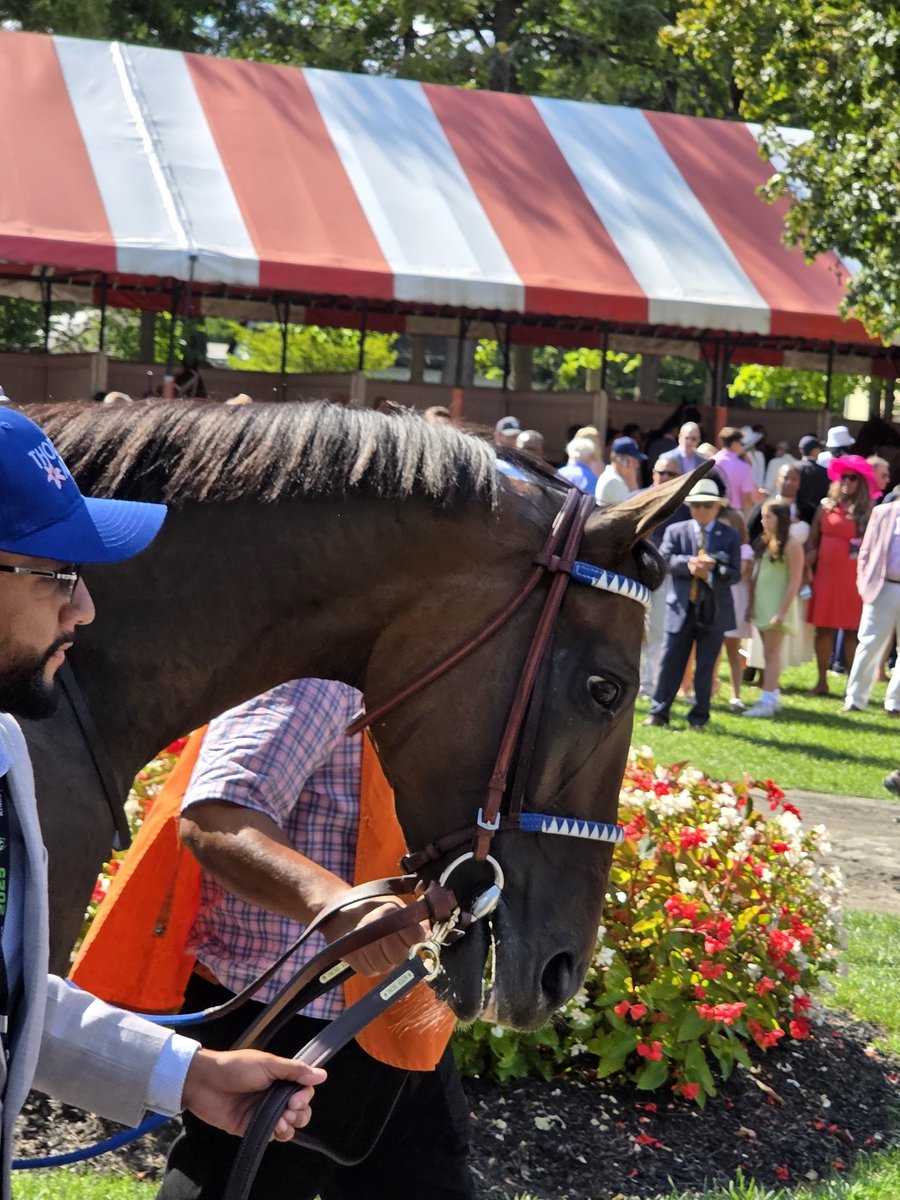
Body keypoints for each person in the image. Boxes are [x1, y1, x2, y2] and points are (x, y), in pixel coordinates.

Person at [0, 410, 325, 1196]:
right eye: (57, 574)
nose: (83, 610)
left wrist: (191, 1074)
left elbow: (9, 996)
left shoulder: (6, 745)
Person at [157, 679, 471, 1200]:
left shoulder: (436, 662)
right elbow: (219, 812)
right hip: (286, 1023)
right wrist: (332, 903)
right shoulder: (327, 677)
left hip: (397, 1016)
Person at [642, 479, 741, 730]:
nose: (702, 510)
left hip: (713, 610)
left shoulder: (729, 535)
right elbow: (663, 559)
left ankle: (699, 717)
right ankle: (658, 712)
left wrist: (710, 572)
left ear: (717, 507)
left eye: (707, 505)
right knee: (670, 662)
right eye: (696, 505)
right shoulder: (677, 531)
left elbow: (735, 573)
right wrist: (689, 565)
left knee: (706, 667)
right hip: (681, 608)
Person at [805, 455, 876, 695]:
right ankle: (821, 681)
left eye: (852, 477)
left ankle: (852, 687)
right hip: (826, 575)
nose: (846, 481)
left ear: (861, 482)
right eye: (843, 476)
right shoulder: (826, 506)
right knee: (823, 628)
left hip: (853, 579)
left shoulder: (868, 512)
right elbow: (813, 540)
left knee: (852, 631)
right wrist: (809, 562)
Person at [743, 502, 805, 718]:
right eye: (762, 517)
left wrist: (782, 611)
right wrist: (751, 603)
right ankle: (773, 696)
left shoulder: (792, 544)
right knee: (767, 653)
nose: (763, 521)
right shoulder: (766, 541)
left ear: (780, 518)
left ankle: (767, 700)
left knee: (771, 654)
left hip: (778, 606)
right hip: (763, 604)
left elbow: (794, 581)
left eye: (768, 517)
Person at [840, 500, 900, 715]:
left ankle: (896, 703)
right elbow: (865, 550)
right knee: (868, 644)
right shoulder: (883, 512)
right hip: (882, 587)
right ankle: (855, 699)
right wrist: (864, 583)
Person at [639, 457, 687, 699]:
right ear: (653, 474)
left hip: (664, 575)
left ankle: (647, 684)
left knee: (656, 630)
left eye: (672, 474)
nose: (666, 478)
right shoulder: (635, 499)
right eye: (662, 472)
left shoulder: (684, 508)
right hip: (634, 574)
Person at [713, 427, 756, 515]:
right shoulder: (743, 466)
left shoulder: (711, 462)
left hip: (714, 512)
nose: (742, 446)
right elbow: (746, 498)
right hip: (735, 514)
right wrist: (747, 524)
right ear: (734, 444)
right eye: (741, 443)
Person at [595, 436, 645, 507]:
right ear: (619, 460)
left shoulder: (615, 477)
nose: (637, 465)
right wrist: (632, 481)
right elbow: (635, 509)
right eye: (633, 461)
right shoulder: (613, 481)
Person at [795, 435, 829, 524]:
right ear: (814, 450)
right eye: (819, 449)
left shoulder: (793, 468)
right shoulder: (824, 472)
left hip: (795, 517)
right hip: (816, 519)